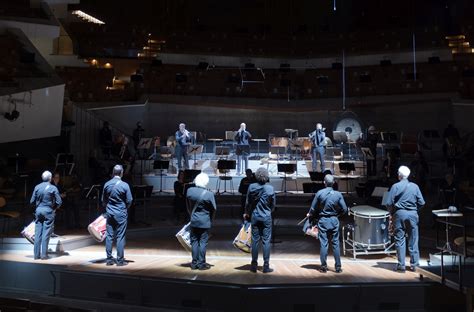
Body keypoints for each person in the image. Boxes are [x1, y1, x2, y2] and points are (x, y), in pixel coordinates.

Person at [385, 166, 425, 272]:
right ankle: (414, 264)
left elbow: (389, 203)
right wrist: (414, 210)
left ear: (399, 175)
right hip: (412, 214)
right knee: (413, 239)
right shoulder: (415, 186)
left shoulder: (395, 186)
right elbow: (422, 202)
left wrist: (392, 213)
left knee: (400, 239)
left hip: (399, 214)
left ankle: (401, 265)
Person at [306, 174, 347, 273]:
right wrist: (337, 215)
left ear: (324, 182)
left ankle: (324, 267)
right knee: (336, 244)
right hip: (334, 221)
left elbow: (313, 208)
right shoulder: (338, 194)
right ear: (333, 183)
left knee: (324, 244)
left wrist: (309, 214)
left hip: (323, 221)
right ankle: (338, 267)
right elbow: (344, 209)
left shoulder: (320, 193)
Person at [244, 167, 276, 273]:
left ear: (256, 175)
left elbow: (248, 203)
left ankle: (254, 265)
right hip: (266, 217)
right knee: (266, 242)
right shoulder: (270, 188)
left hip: (255, 216)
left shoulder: (251, 187)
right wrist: (268, 212)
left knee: (255, 241)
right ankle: (266, 266)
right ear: (266, 176)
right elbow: (273, 205)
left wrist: (247, 213)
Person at [102, 165, 133, 266]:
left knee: (109, 236)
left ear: (113, 172)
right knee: (120, 236)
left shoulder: (107, 184)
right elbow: (129, 200)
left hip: (110, 213)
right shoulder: (125, 185)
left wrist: (109, 208)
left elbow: (103, 201)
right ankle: (120, 261)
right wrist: (124, 208)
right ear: (121, 173)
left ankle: (109, 260)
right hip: (121, 213)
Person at [186, 173, 217, 270]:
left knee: (194, 242)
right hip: (205, 221)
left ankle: (194, 263)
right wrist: (211, 220)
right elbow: (214, 209)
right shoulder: (209, 194)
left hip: (193, 220)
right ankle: (201, 263)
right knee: (203, 243)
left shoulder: (189, 191)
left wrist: (190, 215)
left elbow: (187, 205)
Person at [30, 171, 62, 260]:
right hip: (48, 211)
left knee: (37, 234)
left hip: (38, 211)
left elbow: (31, 201)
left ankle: (36, 255)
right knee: (46, 233)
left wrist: (38, 207)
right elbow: (59, 202)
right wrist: (53, 208)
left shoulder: (37, 187)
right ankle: (44, 255)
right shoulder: (53, 188)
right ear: (50, 178)